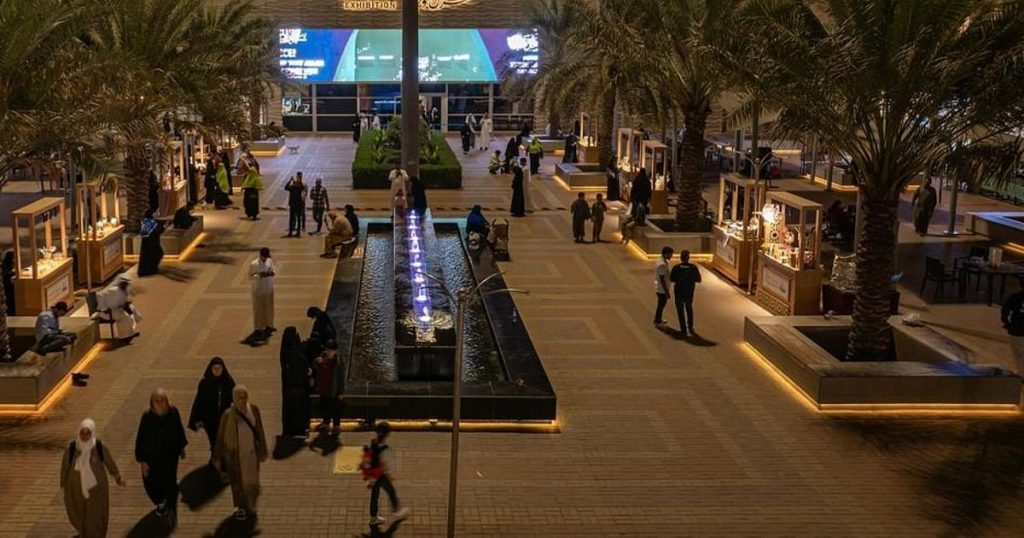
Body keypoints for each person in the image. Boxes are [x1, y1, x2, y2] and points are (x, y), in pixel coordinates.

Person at [61, 419, 124, 538]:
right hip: (75, 488)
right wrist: (63, 484)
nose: (84, 436)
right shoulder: (72, 448)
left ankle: (96, 534)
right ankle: (83, 532)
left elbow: (109, 462)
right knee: (78, 511)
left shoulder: (98, 447)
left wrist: (117, 476)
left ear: (92, 433)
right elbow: (65, 467)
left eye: (88, 433)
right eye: (82, 433)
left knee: (95, 512)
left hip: (96, 489)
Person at [213, 385, 268, 521]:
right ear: (234, 398)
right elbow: (220, 437)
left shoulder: (253, 410)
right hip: (234, 454)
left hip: (251, 452)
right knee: (237, 482)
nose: (242, 400)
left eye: (244, 397)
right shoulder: (228, 415)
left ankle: (251, 502)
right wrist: (217, 457)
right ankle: (240, 507)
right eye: (239, 397)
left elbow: (259, 430)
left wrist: (263, 449)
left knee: (252, 480)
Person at [134, 389, 187, 520]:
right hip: (153, 459)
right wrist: (142, 460)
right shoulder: (147, 417)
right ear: (151, 403)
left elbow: (179, 429)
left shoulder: (173, 413)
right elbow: (141, 439)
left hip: (170, 456)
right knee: (151, 482)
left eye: (162, 400)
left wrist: (181, 448)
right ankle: (160, 501)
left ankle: (168, 503)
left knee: (170, 480)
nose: (160, 403)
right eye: (156, 401)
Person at [187, 357, 236, 455]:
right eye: (215, 368)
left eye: (219, 368)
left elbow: (235, 399)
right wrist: (196, 419)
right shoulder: (205, 383)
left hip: (225, 419)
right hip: (210, 420)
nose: (217, 371)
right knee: (213, 440)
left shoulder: (228, 382)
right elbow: (199, 401)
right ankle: (215, 457)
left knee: (223, 440)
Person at [365, 422, 410, 527]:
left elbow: (369, 457)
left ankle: (373, 518)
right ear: (387, 434)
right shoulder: (384, 448)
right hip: (381, 475)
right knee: (391, 492)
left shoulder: (373, 443)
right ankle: (397, 513)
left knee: (374, 496)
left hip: (373, 474)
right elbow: (386, 464)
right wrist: (390, 475)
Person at [280, 327, 311, 438]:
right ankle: (298, 429)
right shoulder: (294, 352)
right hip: (298, 387)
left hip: (290, 387)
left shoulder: (286, 351)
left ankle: (291, 429)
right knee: (298, 410)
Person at [96, 277, 141, 344]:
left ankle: (129, 333)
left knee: (130, 309)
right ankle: (125, 336)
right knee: (124, 316)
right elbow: (108, 301)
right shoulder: (114, 291)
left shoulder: (119, 291)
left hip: (111, 309)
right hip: (105, 312)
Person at [314, 340, 344, 435]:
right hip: (324, 388)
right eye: (328, 350)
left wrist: (341, 392)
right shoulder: (322, 358)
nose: (330, 353)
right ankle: (326, 423)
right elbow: (316, 368)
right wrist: (317, 362)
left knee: (335, 408)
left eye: (331, 351)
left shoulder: (338, 361)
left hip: (333, 389)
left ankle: (336, 426)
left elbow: (341, 377)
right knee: (324, 406)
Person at [669, 251, 702, 335]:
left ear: (680, 258)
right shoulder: (693, 268)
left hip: (678, 292)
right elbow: (698, 279)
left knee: (680, 310)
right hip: (689, 292)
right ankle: (690, 326)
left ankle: (683, 328)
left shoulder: (676, 267)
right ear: (688, 258)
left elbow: (671, 279)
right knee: (689, 309)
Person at [248, 248, 276, 343]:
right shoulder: (254, 264)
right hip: (258, 290)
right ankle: (258, 328)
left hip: (268, 288)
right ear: (261, 255)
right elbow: (251, 275)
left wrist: (270, 273)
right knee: (259, 308)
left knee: (269, 307)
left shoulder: (269, 261)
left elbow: (273, 270)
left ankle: (269, 324)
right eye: (264, 257)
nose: (265, 259)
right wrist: (260, 275)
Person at [1001, 278, 1024, 377]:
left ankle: (1021, 373)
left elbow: (1005, 310)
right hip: (1016, 329)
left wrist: (1006, 322)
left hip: (1016, 329)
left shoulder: (1014, 297)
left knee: (1018, 354)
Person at [137, 212, 165, 277]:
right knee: (155, 255)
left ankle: (148, 270)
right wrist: (163, 228)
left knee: (147, 257)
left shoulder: (146, 222)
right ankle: (150, 270)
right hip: (152, 244)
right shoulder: (151, 223)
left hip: (146, 244)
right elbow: (155, 233)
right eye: (154, 213)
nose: (155, 214)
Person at [239, 155, 263, 220]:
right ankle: (250, 213)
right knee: (247, 202)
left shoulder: (252, 170)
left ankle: (253, 214)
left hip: (252, 189)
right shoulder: (249, 173)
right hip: (249, 189)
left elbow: (247, 167)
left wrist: (243, 160)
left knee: (252, 202)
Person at [653, 247, 673, 327]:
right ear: (666, 254)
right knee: (661, 305)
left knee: (661, 305)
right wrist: (667, 292)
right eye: (670, 254)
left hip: (660, 288)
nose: (671, 256)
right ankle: (657, 321)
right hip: (662, 289)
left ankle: (659, 319)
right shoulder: (662, 265)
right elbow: (662, 279)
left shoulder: (661, 260)